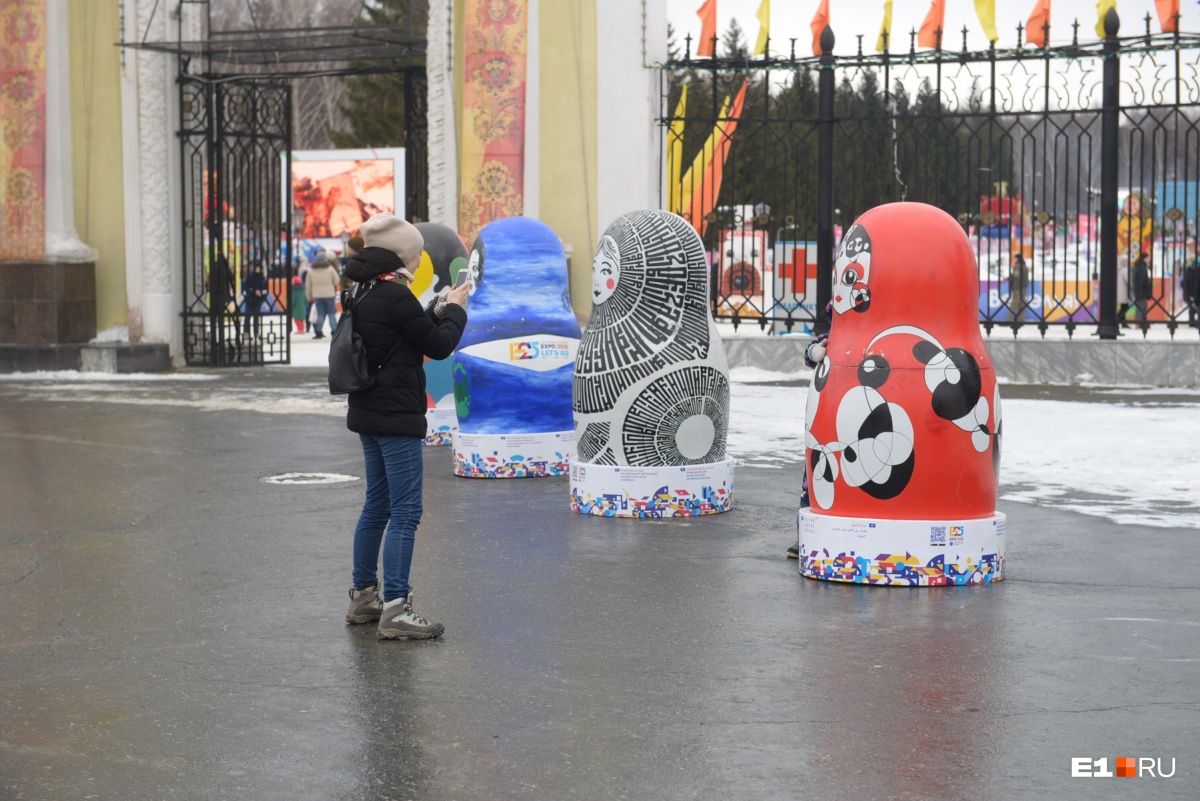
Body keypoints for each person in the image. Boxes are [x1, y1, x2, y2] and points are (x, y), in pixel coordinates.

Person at [342, 212, 470, 640]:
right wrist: (455, 310)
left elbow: (403, 336)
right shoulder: (394, 297)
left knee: (377, 505)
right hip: (396, 415)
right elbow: (438, 345)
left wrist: (434, 308)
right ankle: (396, 606)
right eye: (415, 256)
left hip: (369, 412)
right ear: (400, 256)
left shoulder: (364, 290)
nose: (419, 263)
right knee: (406, 510)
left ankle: (363, 596)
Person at [787, 301, 834, 560]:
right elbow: (808, 354)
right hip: (824, 417)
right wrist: (816, 351)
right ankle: (803, 536)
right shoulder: (831, 340)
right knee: (812, 480)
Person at [306, 251, 342, 338]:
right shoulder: (330, 269)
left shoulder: (311, 271)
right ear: (325, 259)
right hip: (329, 294)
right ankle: (334, 331)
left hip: (317, 295)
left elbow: (308, 285)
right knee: (331, 313)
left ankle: (318, 332)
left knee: (320, 314)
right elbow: (337, 280)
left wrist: (309, 296)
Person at [241, 260, 269, 338]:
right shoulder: (250, 276)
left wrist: (263, 297)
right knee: (248, 316)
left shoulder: (262, 278)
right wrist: (253, 291)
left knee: (256, 317)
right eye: (257, 268)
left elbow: (265, 289)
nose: (258, 269)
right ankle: (246, 332)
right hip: (250, 299)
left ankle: (256, 332)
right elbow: (245, 288)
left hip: (258, 300)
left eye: (259, 268)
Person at [1132, 250, 1152, 329]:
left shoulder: (1138, 266)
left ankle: (1140, 322)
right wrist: (1148, 286)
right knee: (1141, 307)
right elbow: (1144, 280)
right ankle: (1139, 323)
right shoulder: (1142, 267)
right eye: (1147, 258)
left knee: (1140, 306)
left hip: (1138, 290)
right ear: (1144, 258)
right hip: (1141, 291)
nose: (1149, 260)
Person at [1009, 253, 1029, 326]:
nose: (1014, 259)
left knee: (1014, 304)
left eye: (1015, 258)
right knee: (1021, 305)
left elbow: (1016, 277)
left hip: (1018, 288)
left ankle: (1009, 320)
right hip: (1024, 288)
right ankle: (1021, 320)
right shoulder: (1025, 266)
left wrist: (1011, 280)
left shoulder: (1018, 267)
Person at [1182, 257, 1199, 328]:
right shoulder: (1193, 272)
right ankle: (1193, 321)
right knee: (1194, 307)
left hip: (1191, 292)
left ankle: (1192, 321)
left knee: (1192, 307)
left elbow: (1183, 283)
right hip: (1194, 292)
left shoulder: (1187, 272)